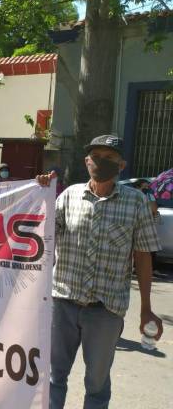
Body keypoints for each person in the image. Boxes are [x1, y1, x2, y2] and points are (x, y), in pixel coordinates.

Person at [36, 135, 162, 409]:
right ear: (86, 161)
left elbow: (143, 257)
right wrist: (40, 195)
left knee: (96, 386)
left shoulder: (136, 202)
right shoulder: (68, 196)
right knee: (53, 378)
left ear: (121, 165)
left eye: (109, 158)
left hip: (106, 310)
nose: (100, 162)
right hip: (63, 303)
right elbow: (41, 237)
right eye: (96, 157)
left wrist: (146, 308)